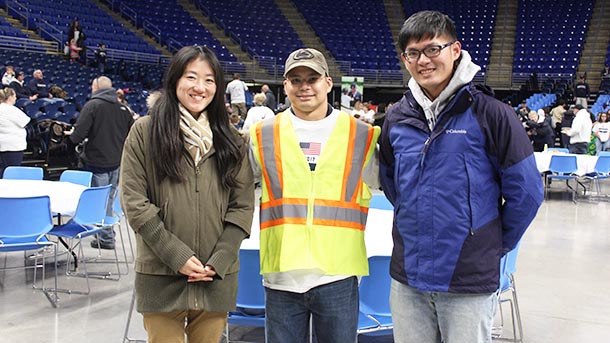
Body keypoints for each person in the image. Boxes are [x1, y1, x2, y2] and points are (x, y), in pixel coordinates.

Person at [379, 11, 543, 343]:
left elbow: (526, 193)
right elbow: (393, 186)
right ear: (404, 60)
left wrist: (490, 241)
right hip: (408, 277)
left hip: (467, 282)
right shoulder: (396, 118)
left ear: (455, 50)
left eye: (432, 49)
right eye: (413, 53)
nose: (423, 60)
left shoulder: (492, 114)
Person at [119, 45, 254, 343]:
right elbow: (134, 202)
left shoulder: (233, 140)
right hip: (161, 275)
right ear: (175, 80)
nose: (199, 87)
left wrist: (220, 258)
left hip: (215, 276)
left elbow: (242, 206)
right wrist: (175, 255)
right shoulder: (144, 131)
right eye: (191, 77)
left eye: (208, 80)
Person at [250, 47, 380, 343]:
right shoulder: (263, 134)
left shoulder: (360, 134)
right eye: (295, 80)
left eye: (312, 78)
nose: (304, 86)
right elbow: (235, 191)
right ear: (285, 86)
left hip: (337, 277)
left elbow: (391, 185)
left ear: (328, 83)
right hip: (281, 277)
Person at [66, 76, 134, 249]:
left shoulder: (93, 105)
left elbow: (78, 135)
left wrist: (71, 139)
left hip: (98, 162)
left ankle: (106, 238)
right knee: (108, 200)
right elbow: (132, 135)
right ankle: (106, 235)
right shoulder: (123, 109)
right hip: (117, 161)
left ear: (96, 87)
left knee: (102, 201)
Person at [0, 88, 31, 178]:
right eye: (15, 96)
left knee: (3, 170)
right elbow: (25, 122)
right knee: (11, 172)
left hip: (3, 144)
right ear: (10, 97)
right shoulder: (12, 110)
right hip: (13, 146)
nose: (16, 98)